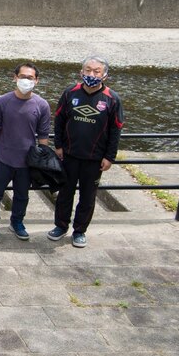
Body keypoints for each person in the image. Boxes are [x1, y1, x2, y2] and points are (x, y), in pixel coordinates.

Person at [49, 56, 124, 248]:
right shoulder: (70, 93)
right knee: (65, 193)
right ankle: (60, 226)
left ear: (104, 75)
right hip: (69, 155)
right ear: (81, 72)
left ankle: (80, 231)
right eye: (88, 70)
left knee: (88, 196)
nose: (91, 74)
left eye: (96, 71)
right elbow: (59, 120)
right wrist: (58, 145)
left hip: (94, 158)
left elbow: (116, 130)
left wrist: (110, 156)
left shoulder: (112, 99)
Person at [0, 63, 51, 241]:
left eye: (30, 78)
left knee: (22, 195)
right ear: (15, 77)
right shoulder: (2, 101)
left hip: (27, 160)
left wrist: (43, 160)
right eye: (22, 76)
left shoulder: (42, 105)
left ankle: (17, 222)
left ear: (36, 80)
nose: (26, 80)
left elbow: (43, 135)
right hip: (4, 156)